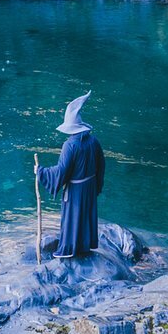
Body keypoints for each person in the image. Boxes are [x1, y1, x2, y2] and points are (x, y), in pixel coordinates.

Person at [36, 92, 106, 259]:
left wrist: (40, 171)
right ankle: (84, 246)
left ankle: (69, 249)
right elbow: (101, 164)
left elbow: (61, 171)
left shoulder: (70, 145)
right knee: (85, 215)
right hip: (89, 185)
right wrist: (96, 185)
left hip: (75, 189)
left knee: (73, 217)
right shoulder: (94, 141)